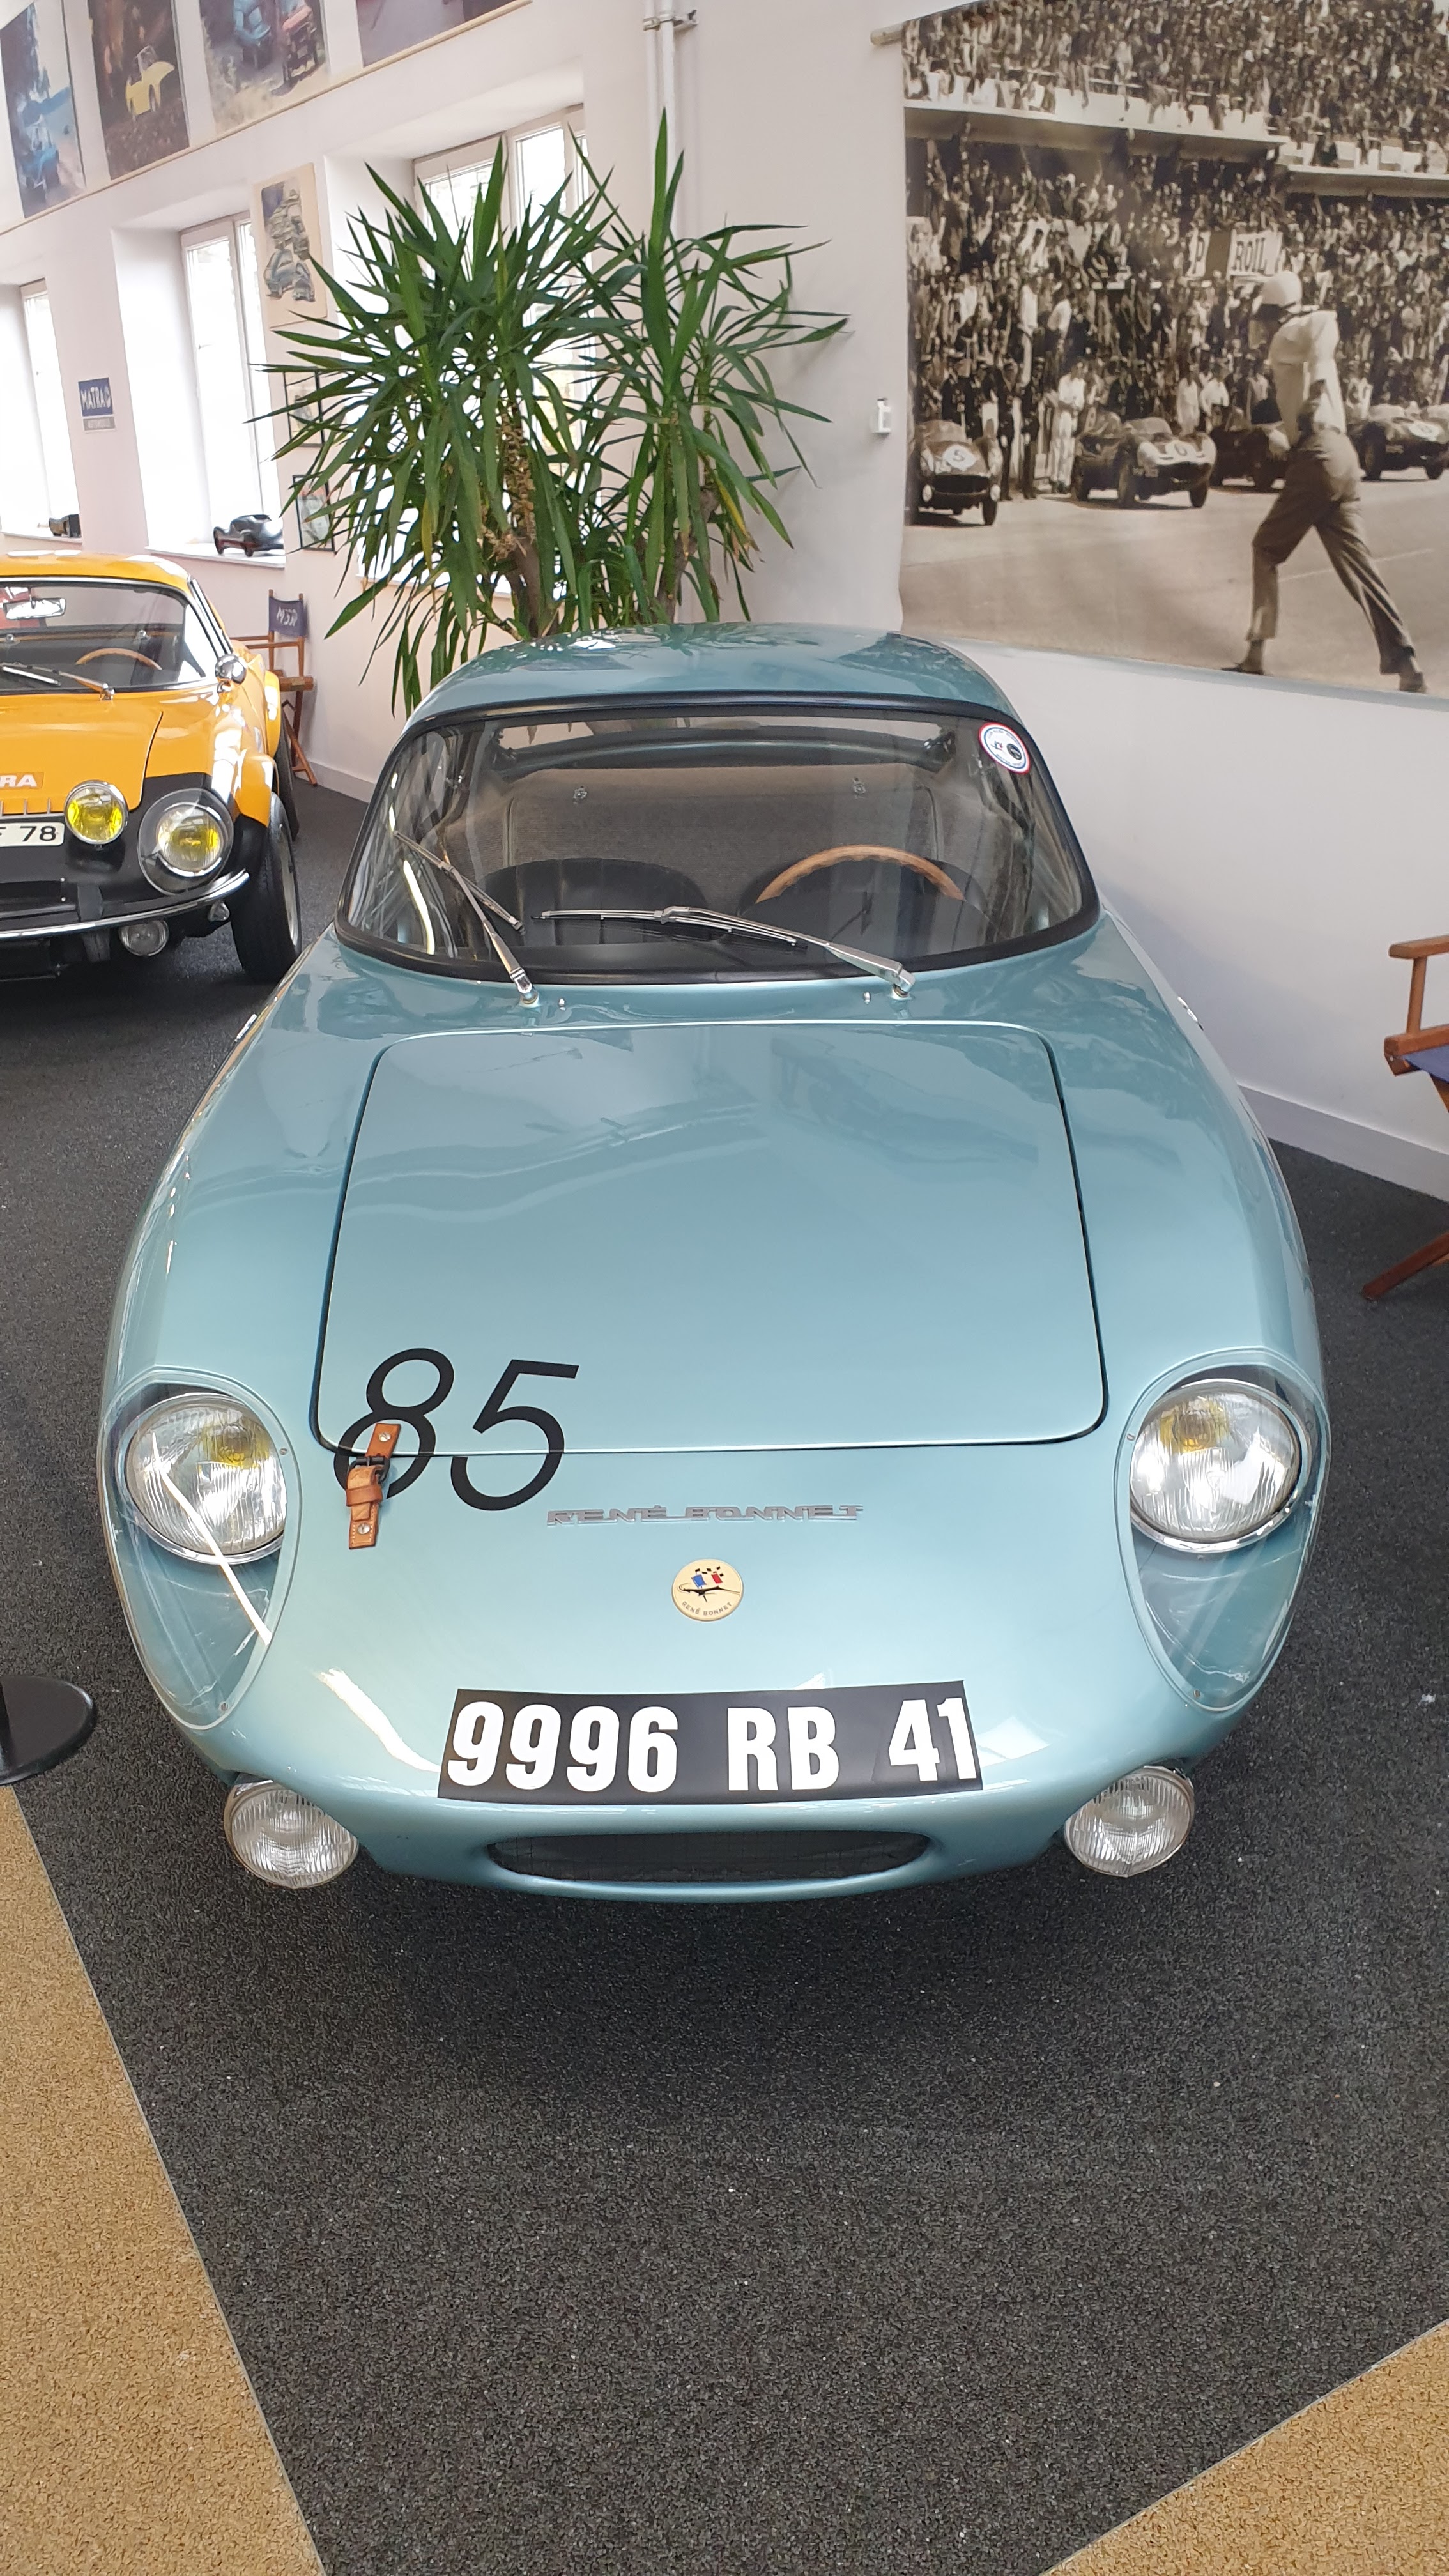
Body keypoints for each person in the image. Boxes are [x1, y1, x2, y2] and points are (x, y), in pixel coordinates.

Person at [1230, 272, 1427, 693]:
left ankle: (1256, 655)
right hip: (1342, 457)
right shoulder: (1298, 339)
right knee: (1362, 570)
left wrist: (1318, 387)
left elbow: (1324, 321)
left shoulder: (1290, 334)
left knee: (1266, 547)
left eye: (1267, 316)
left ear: (1277, 313)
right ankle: (1407, 664)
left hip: (1318, 457)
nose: (1264, 327)